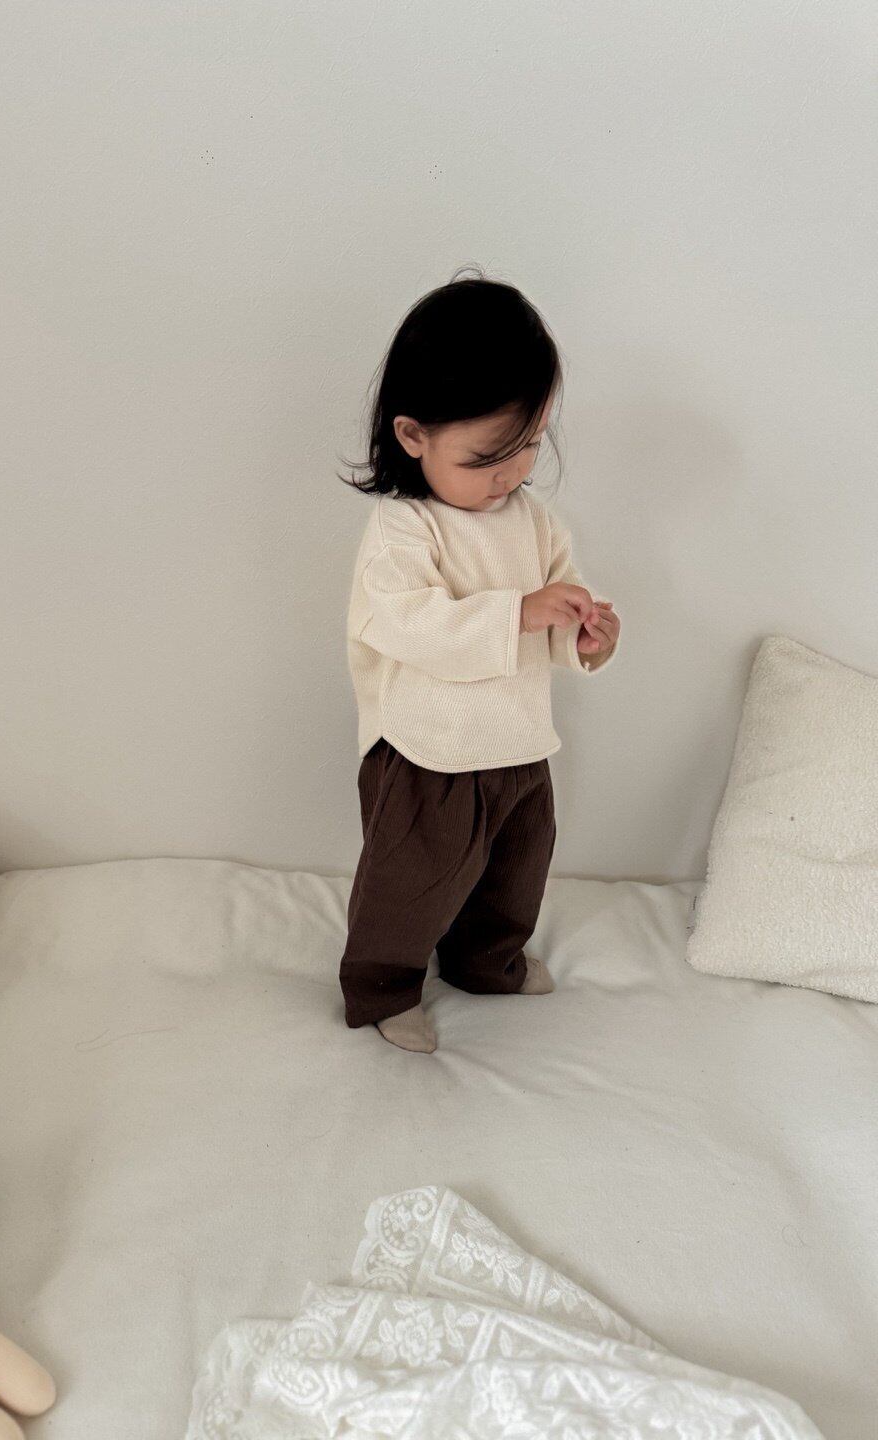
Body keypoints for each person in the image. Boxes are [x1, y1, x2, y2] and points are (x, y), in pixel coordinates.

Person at [337, 267, 621, 1053]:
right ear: (413, 436)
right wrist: (519, 612)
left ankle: (486, 960)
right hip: (428, 753)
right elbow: (411, 626)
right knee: (410, 883)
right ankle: (385, 984)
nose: (512, 472)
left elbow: (555, 606)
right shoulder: (405, 530)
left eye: (529, 444)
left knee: (513, 873)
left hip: (519, 744)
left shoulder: (535, 521)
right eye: (488, 455)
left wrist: (582, 635)